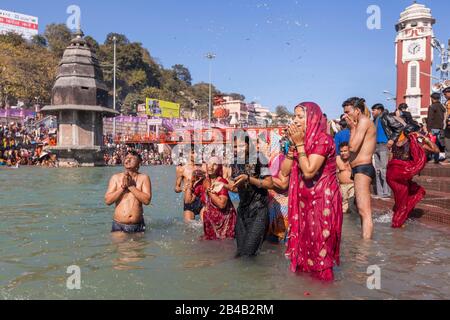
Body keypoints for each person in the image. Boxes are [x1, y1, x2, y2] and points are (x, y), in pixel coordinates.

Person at [280, 102, 342, 282]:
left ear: (313, 118)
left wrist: (299, 145)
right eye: (295, 117)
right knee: (304, 247)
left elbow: (308, 171)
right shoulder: (302, 143)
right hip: (304, 204)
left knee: (320, 249)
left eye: (300, 117)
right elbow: (284, 172)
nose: (295, 121)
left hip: (324, 202)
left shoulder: (323, 140)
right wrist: (293, 146)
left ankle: (324, 291)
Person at [227, 135, 274, 257]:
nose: (239, 149)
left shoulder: (260, 159)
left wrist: (248, 178)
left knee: (248, 253)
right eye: (236, 147)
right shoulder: (234, 161)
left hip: (259, 210)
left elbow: (269, 184)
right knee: (239, 253)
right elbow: (236, 188)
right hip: (243, 211)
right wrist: (225, 186)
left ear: (249, 145)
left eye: (242, 146)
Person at [387, 125, 439, 228]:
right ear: (414, 134)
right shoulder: (415, 145)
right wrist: (424, 138)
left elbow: (390, 160)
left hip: (391, 175)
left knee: (406, 196)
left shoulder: (396, 143)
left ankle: (397, 216)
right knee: (403, 202)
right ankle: (397, 225)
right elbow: (436, 150)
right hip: (400, 177)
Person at [343, 97, 376, 240]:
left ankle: (365, 249)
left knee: (364, 211)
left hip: (363, 168)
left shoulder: (363, 121)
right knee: (361, 210)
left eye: (347, 112)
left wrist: (352, 128)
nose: (345, 116)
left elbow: (353, 147)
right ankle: (364, 241)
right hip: (358, 169)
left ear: (357, 110)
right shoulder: (360, 123)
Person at [186, 157, 237, 240]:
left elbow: (222, 204)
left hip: (225, 223)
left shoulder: (221, 182)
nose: (211, 167)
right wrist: (191, 182)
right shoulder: (202, 181)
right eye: (209, 164)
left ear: (219, 167)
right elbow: (189, 201)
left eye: (215, 164)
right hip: (210, 223)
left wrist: (208, 189)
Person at [105, 150, 152, 233]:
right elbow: (108, 201)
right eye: (126, 158)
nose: (128, 160)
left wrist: (131, 186)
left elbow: (147, 200)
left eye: (132, 158)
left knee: (139, 246)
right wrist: (122, 188)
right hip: (119, 225)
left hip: (138, 225)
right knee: (121, 246)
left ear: (139, 163)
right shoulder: (115, 178)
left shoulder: (144, 178)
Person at [371, 103, 404, 199]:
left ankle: (387, 192)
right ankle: (380, 193)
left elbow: (399, 126)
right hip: (376, 146)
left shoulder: (386, 117)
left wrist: (392, 139)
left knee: (384, 170)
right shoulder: (375, 120)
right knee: (378, 170)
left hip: (384, 145)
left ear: (380, 110)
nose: (372, 112)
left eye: (374, 110)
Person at [267, 130, 290, 243]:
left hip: (281, 207)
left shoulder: (280, 159)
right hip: (274, 205)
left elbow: (283, 183)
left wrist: (264, 178)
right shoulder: (270, 160)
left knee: (280, 244)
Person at [175, 150, 206, 222]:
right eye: (192, 152)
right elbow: (176, 188)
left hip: (202, 200)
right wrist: (182, 189)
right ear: (187, 153)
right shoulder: (181, 169)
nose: (195, 154)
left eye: (196, 152)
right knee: (189, 227)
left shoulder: (203, 167)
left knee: (205, 225)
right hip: (189, 200)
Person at [336, 142, 356, 214]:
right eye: (341, 151)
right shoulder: (338, 160)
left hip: (352, 185)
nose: (343, 153)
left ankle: (355, 220)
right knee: (343, 210)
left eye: (345, 151)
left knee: (351, 204)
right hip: (342, 186)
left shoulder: (353, 159)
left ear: (349, 150)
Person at [427, 93, 446, 163]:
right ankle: (436, 158)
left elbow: (430, 118)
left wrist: (428, 129)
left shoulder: (432, 106)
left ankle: (433, 158)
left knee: (432, 144)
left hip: (433, 127)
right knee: (438, 143)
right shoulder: (441, 106)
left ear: (432, 98)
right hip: (440, 127)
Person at [443, 87, 450, 164]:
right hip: (447, 124)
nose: (444, 95)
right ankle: (448, 157)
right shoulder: (447, 102)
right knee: (447, 139)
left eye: (445, 94)